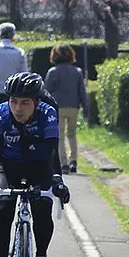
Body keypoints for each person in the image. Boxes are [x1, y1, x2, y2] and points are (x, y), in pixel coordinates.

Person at [0, 72, 70, 257]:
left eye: (25, 102)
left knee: (42, 208)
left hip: (40, 164)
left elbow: (52, 151)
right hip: (9, 166)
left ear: (36, 103)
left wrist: (57, 181)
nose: (18, 108)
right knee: (3, 209)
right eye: (13, 101)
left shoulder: (47, 114)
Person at [44, 44, 89, 174]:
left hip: (57, 107)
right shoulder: (77, 72)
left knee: (60, 136)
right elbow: (82, 91)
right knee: (72, 134)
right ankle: (73, 160)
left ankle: (63, 163)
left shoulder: (53, 72)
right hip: (73, 107)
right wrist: (86, 107)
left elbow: (47, 91)